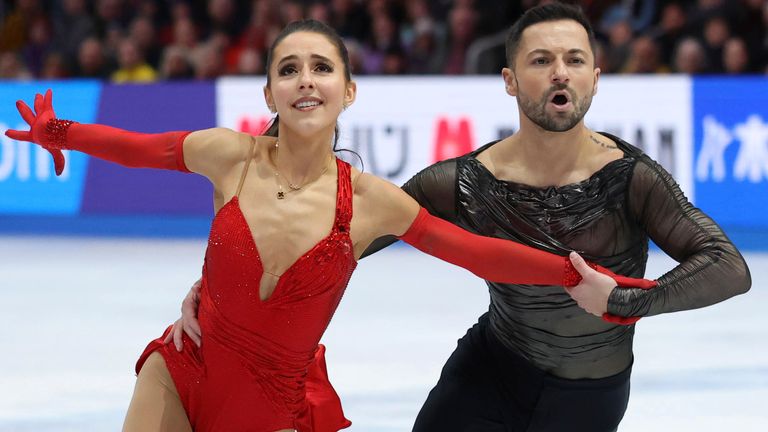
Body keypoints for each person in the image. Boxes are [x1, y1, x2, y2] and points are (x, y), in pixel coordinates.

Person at [4, 19, 655, 432]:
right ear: (269, 94)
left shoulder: (372, 204)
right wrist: (57, 132)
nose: (305, 80)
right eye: (289, 69)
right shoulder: (226, 155)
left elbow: (478, 253)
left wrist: (575, 275)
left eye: (322, 68)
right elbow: (136, 147)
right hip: (186, 367)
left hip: (271, 406)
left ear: (348, 91)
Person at [169, 4, 750, 431]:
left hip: (590, 399)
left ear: (594, 79)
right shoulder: (464, 180)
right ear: (510, 80)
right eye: (541, 60)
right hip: (489, 373)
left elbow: (727, 267)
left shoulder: (632, 178)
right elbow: (342, 233)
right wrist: (227, 289)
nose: (559, 73)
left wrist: (625, 302)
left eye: (575, 60)